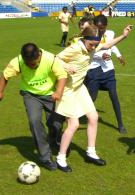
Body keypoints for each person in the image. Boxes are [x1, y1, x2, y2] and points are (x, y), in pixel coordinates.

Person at [55, 24, 132, 172]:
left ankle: (91, 153)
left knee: (93, 118)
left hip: (79, 88)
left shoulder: (93, 44)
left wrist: (123, 36)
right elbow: (55, 58)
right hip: (67, 89)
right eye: (91, 45)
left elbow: (107, 44)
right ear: (85, 39)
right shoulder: (75, 48)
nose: (93, 48)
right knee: (74, 124)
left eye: (95, 45)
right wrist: (66, 66)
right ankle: (61, 158)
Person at [0, 43, 67, 171]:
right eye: (27, 63)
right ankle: (45, 157)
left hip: (51, 95)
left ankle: (55, 140)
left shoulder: (50, 59)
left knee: (56, 124)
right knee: (34, 121)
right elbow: (5, 75)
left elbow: (62, 75)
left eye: (33, 63)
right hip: (31, 95)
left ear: (39, 55)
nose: (30, 65)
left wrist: (59, 92)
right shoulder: (18, 61)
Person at [84, 14, 127, 134]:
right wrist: (101, 56)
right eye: (97, 27)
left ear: (106, 26)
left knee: (114, 95)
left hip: (108, 70)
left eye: (102, 28)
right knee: (92, 98)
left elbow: (111, 45)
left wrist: (118, 56)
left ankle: (120, 124)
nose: (100, 30)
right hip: (93, 70)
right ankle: (74, 118)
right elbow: (90, 51)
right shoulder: (90, 35)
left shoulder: (110, 33)